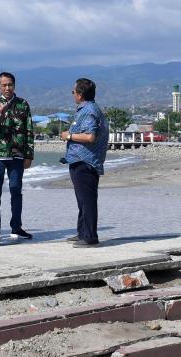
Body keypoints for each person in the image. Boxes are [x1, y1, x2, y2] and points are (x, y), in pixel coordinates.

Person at [0, 72, 35, 241]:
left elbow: (29, 131)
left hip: (17, 155)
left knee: (16, 191)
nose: (7, 88)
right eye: (4, 85)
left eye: (10, 84)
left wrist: (29, 155)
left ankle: (16, 227)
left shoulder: (23, 104)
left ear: (14, 85)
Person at [60, 78, 109, 248]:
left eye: (73, 92)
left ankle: (89, 237)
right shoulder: (87, 109)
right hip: (80, 161)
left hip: (85, 162)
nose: (72, 95)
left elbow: (90, 136)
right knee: (82, 200)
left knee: (87, 200)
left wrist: (69, 136)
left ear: (80, 95)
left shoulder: (88, 111)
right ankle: (82, 232)